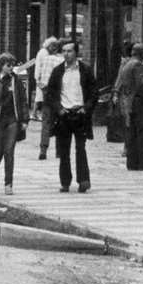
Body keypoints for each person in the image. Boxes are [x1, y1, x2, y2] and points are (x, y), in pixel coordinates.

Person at [44, 39, 97, 193]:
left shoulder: (85, 70)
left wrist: (85, 109)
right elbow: (51, 94)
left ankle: (83, 180)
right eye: (64, 51)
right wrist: (59, 109)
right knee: (64, 150)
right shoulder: (58, 71)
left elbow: (93, 93)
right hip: (64, 115)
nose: (66, 54)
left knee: (81, 148)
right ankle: (65, 182)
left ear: (76, 53)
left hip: (80, 114)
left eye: (69, 51)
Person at [0, 52, 29, 194]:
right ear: (1, 65)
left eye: (12, 65)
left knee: (9, 151)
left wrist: (25, 119)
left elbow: (22, 101)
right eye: (8, 65)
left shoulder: (16, 81)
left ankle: (9, 184)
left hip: (12, 120)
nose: (11, 68)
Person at [113, 43, 143, 171]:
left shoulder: (126, 64)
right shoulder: (137, 65)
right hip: (138, 102)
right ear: (141, 53)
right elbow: (141, 85)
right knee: (142, 134)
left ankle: (132, 163)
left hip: (129, 102)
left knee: (132, 134)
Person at [31, 37, 63, 160]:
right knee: (60, 123)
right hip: (58, 96)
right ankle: (59, 151)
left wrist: (43, 89)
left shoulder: (45, 60)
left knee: (46, 123)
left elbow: (38, 77)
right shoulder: (61, 61)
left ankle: (43, 150)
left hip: (46, 95)